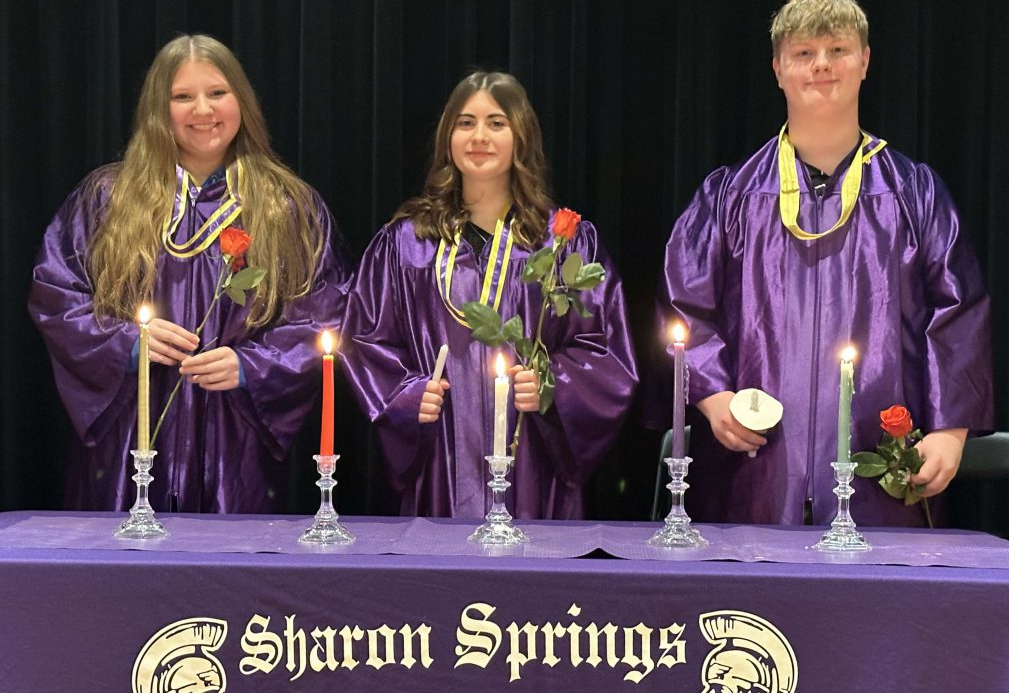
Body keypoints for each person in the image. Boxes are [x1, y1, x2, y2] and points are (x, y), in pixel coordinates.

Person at [662, 0, 992, 526]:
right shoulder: (730, 196)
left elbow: (958, 310)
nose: (821, 66)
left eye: (838, 50)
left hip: (882, 459)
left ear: (865, 61)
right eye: (803, 53)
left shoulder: (914, 192)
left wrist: (950, 430)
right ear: (777, 68)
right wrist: (712, 397)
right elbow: (686, 304)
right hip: (756, 462)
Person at [30, 35, 349, 513]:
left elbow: (325, 312)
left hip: (236, 444)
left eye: (218, 92)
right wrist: (127, 342)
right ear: (159, 108)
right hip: (129, 435)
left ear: (241, 99)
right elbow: (57, 295)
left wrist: (251, 365)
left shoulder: (287, 207)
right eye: (182, 96)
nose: (203, 109)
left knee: (229, 578)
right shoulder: (109, 199)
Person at [341, 71, 637, 518]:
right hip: (441, 456)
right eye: (466, 123)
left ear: (521, 136)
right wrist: (406, 393)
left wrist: (553, 384)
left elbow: (607, 350)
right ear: (448, 138)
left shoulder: (562, 243)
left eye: (496, 123)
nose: (479, 136)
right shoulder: (406, 244)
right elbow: (363, 340)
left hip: (531, 462)